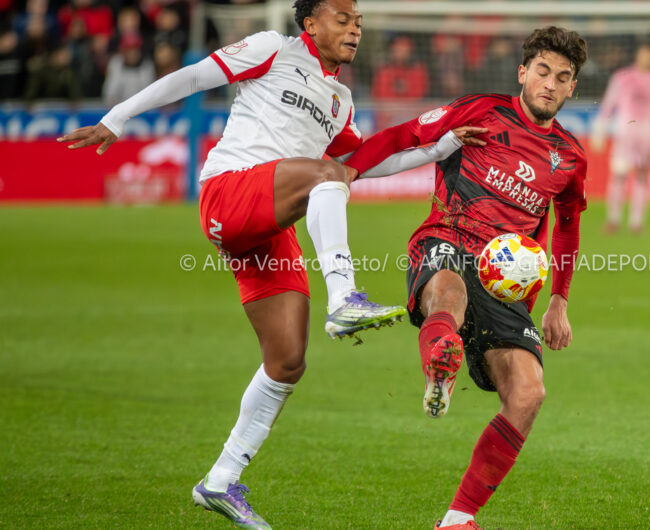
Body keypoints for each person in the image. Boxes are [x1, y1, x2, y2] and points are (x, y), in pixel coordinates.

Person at [57, 0, 484, 528]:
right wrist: (117, 117)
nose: (354, 29)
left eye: (358, 22)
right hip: (228, 192)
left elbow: (360, 164)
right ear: (310, 23)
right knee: (326, 177)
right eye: (343, 18)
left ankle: (220, 480)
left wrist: (441, 147)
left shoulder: (340, 101)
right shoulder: (272, 48)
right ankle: (344, 298)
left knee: (286, 360)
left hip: (268, 225)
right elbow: (193, 77)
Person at [346, 26, 588, 530]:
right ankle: (442, 361)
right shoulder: (480, 110)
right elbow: (404, 136)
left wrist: (559, 300)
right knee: (448, 295)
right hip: (448, 239)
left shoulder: (569, 155)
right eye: (542, 71)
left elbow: (568, 224)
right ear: (522, 72)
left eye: (562, 77)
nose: (549, 84)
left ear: (573, 87)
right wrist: (345, 171)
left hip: (504, 282)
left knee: (528, 393)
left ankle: (457, 519)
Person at [591, 43, 650, 234]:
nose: (648, 58)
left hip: (646, 135)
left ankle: (637, 222)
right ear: (638, 55)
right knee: (619, 174)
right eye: (645, 54)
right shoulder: (622, 78)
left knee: (642, 176)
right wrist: (599, 130)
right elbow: (608, 105)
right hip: (624, 133)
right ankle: (614, 219)